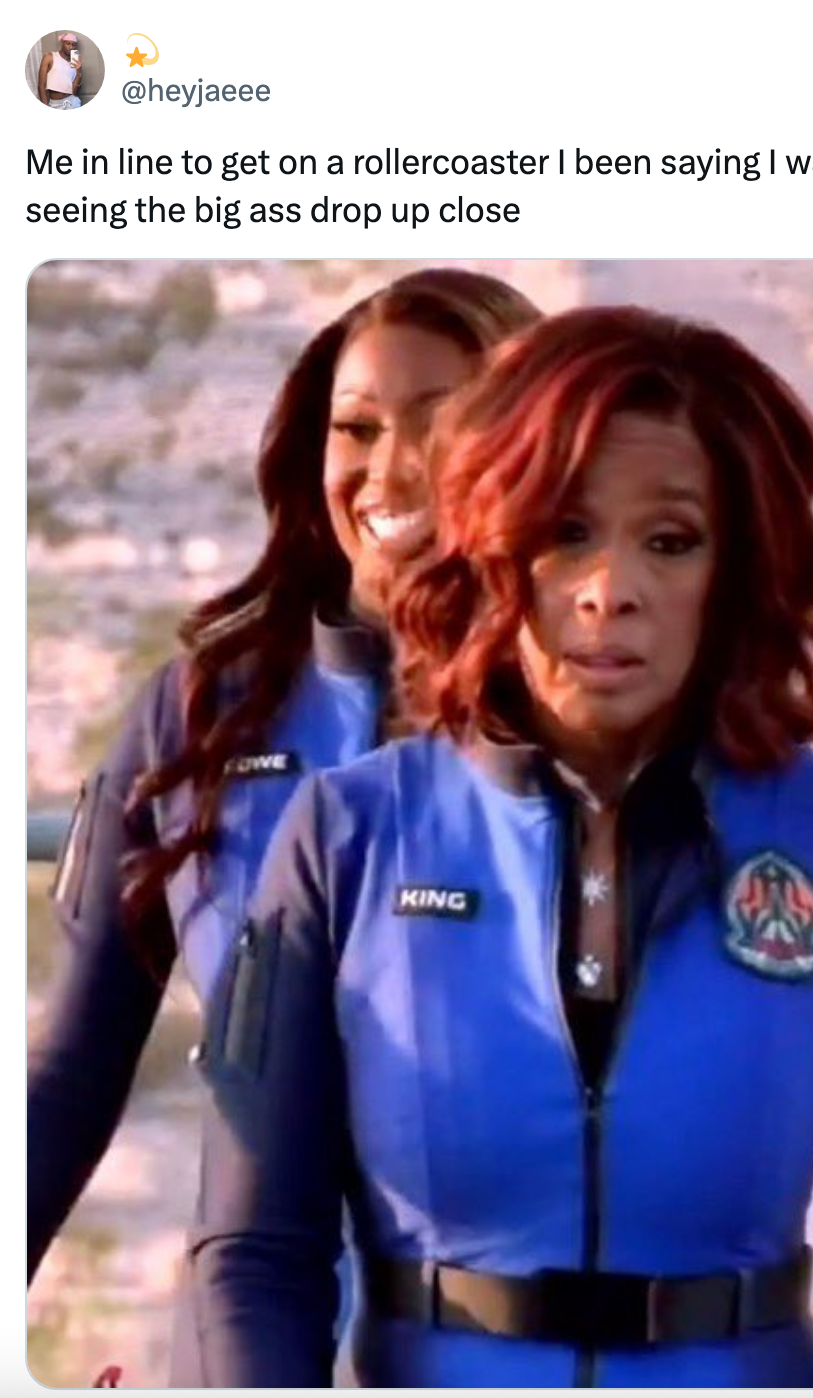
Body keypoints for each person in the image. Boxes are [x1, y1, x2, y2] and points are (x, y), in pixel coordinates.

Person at [190, 305, 813, 1388]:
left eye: (669, 541)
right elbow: (252, 1255)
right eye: (567, 531)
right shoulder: (346, 834)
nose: (608, 589)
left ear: (738, 568)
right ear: (490, 549)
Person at [27, 268, 541, 1302]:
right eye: (357, 430)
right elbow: (71, 1079)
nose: (389, 469)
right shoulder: (201, 715)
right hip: (245, 1326)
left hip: (516, 1342)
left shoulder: (596, 719)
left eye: (441, 422)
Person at [38, 33, 82, 108]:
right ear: (62, 42)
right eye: (67, 43)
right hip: (55, 104)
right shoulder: (49, 57)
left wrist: (79, 71)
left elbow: (75, 92)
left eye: (73, 44)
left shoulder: (76, 63)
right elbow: (41, 85)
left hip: (73, 102)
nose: (71, 47)